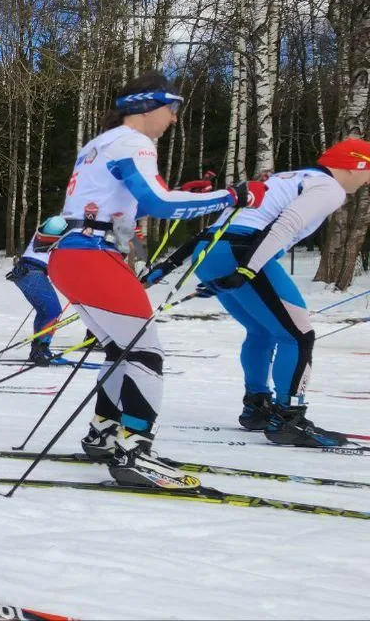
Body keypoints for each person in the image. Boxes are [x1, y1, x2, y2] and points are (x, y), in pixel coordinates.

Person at [46, 71, 265, 489]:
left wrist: (188, 192)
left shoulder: (100, 142)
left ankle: (103, 434)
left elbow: (124, 199)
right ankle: (135, 450)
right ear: (148, 106)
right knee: (145, 353)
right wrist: (233, 195)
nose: (174, 119)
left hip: (73, 254)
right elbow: (157, 203)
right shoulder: (134, 141)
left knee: (119, 349)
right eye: (172, 108)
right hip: (93, 257)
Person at [146, 136, 370, 447]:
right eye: (367, 171)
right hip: (242, 251)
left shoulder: (290, 177)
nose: (366, 180)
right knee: (298, 335)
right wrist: (247, 270)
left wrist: (170, 264)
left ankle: (257, 407)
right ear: (356, 165)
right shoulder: (329, 187)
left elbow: (228, 219)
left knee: (262, 331)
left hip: (212, 250)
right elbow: (287, 224)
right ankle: (289, 418)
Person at [7, 217, 67, 366]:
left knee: (45, 312)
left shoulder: (44, 230)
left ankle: (39, 349)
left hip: (25, 273)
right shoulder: (60, 234)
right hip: (32, 273)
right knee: (53, 312)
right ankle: (40, 349)